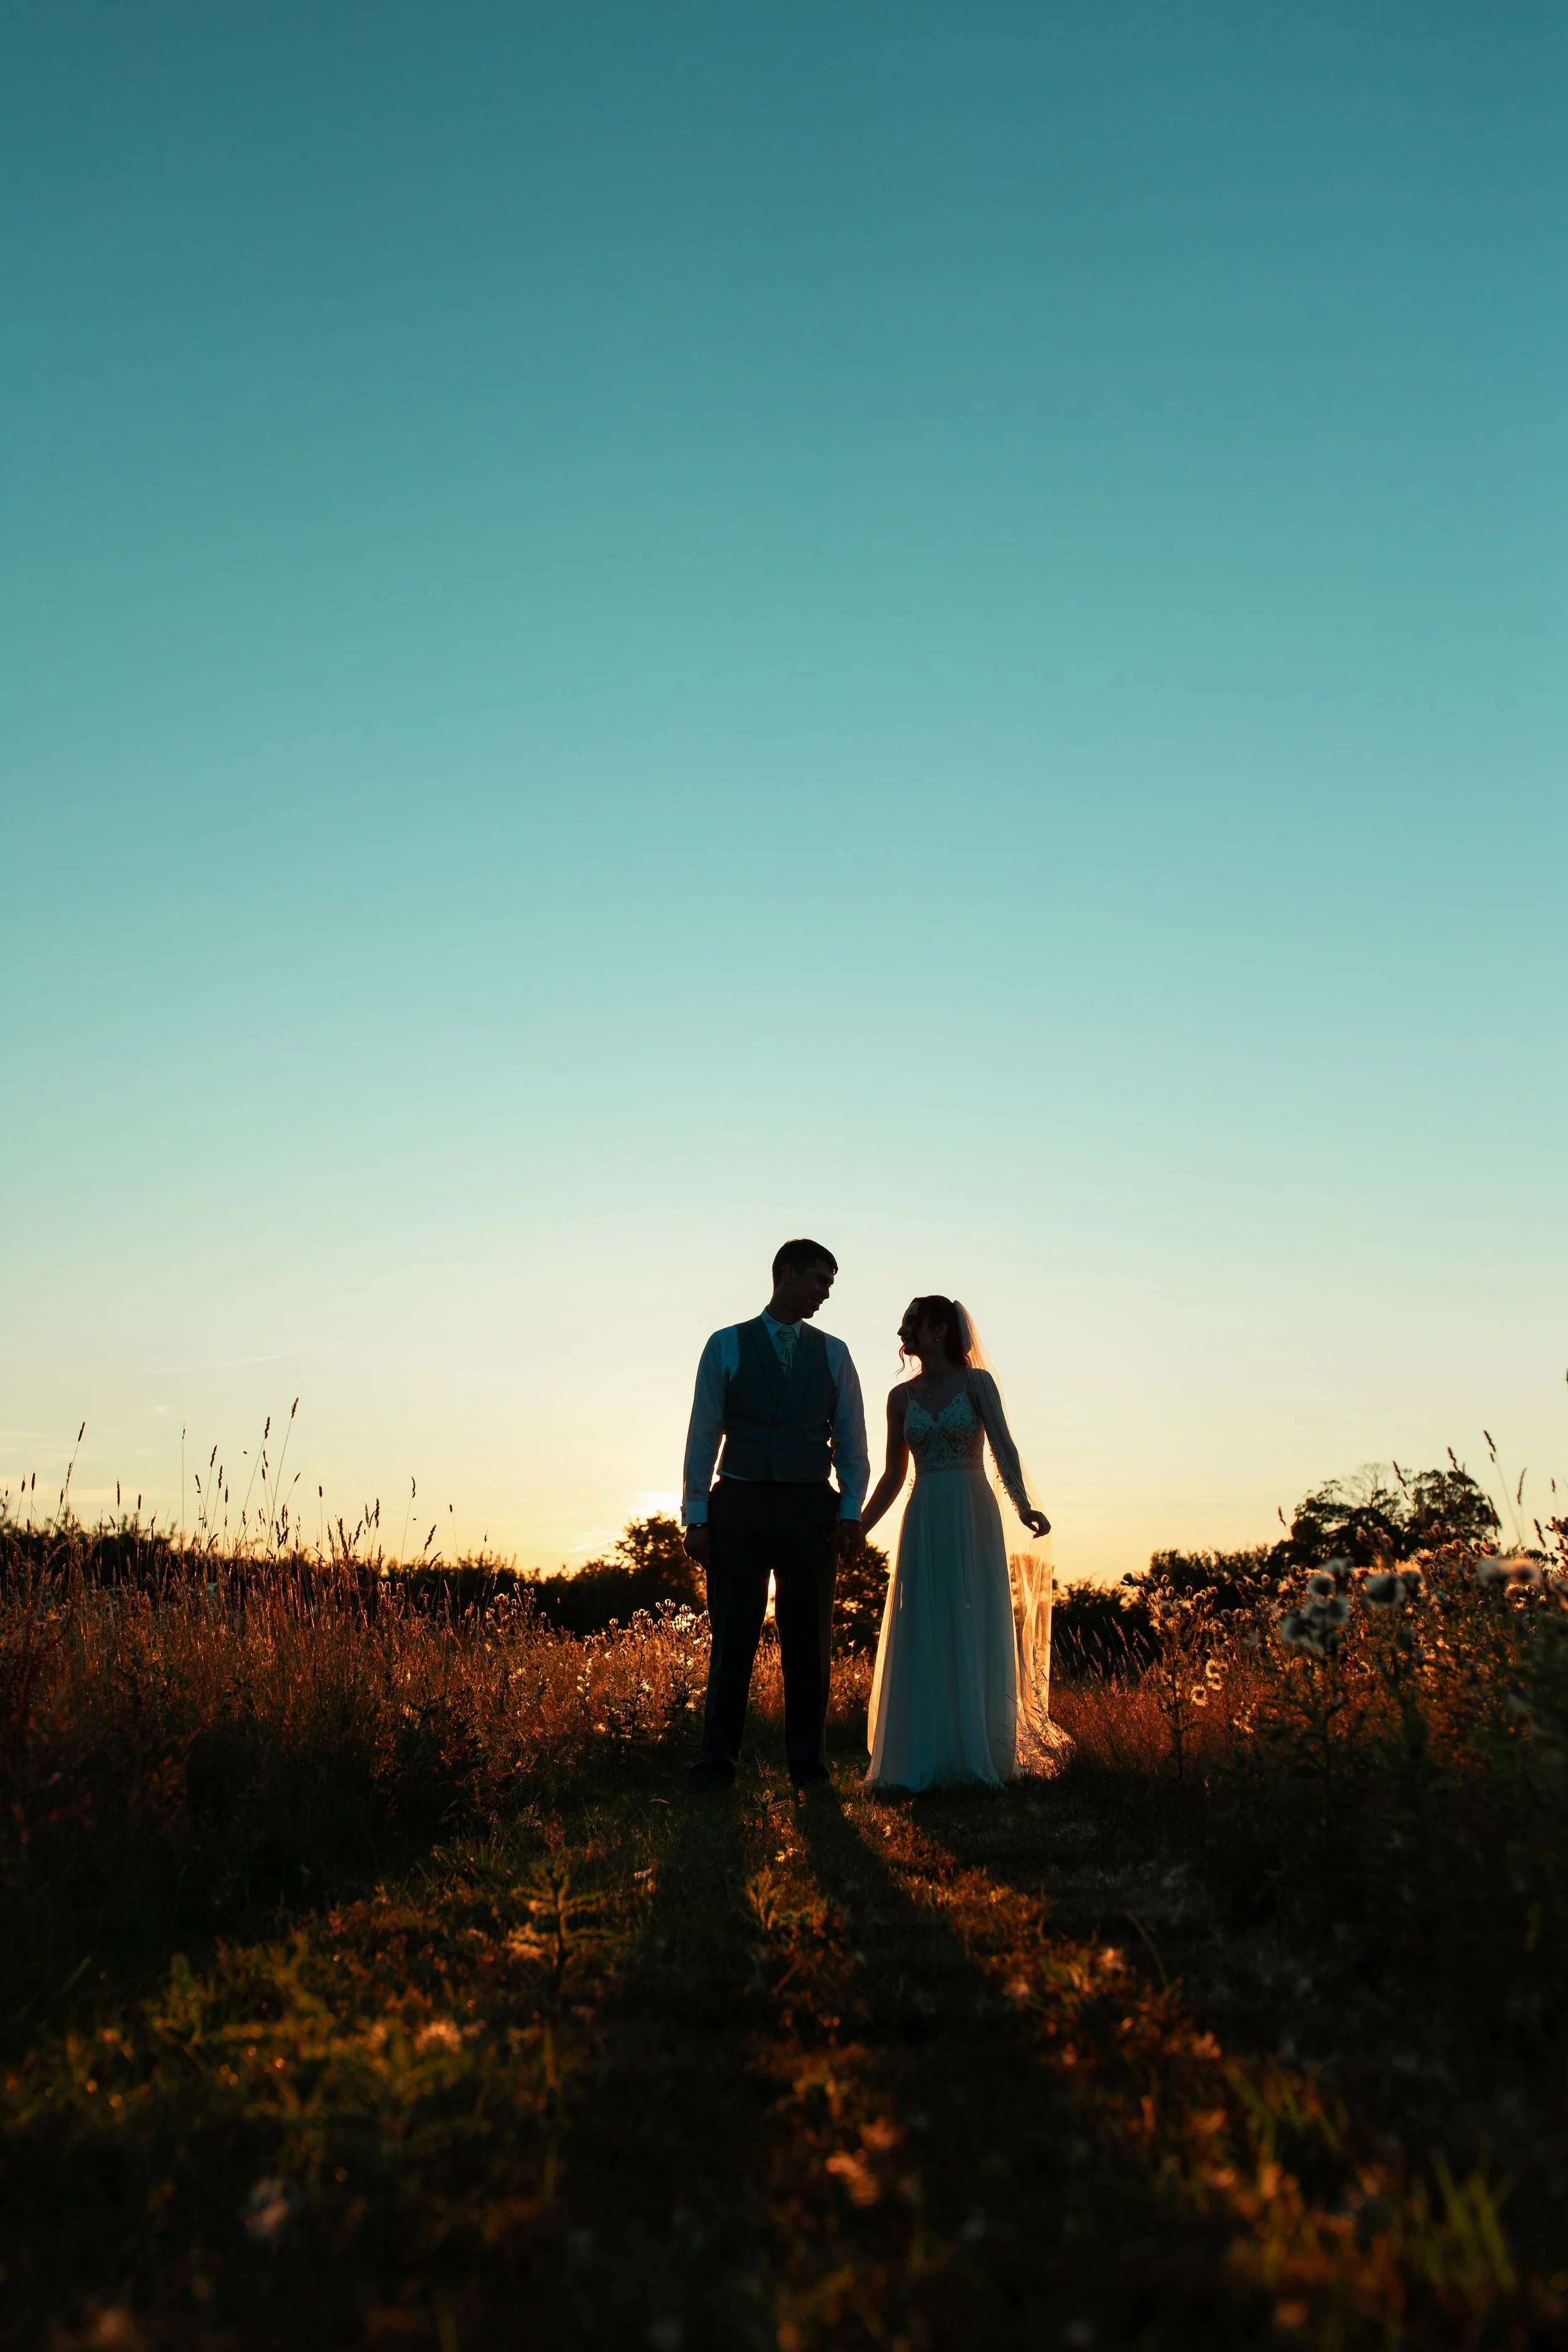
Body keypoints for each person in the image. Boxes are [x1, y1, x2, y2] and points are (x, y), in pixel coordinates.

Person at [682, 1239, 869, 1792]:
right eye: (819, 1281)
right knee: (732, 1641)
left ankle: (809, 1770)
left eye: (830, 1286)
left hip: (812, 1506)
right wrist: (697, 1515)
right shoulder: (725, 1346)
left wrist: (851, 1513)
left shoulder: (835, 1353)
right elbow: (703, 1433)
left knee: (809, 1645)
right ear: (787, 1274)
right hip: (737, 1505)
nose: (825, 1294)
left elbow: (853, 1443)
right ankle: (715, 1768)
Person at [861, 1296, 1054, 1792]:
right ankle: (923, 1753)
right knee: (925, 1621)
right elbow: (891, 1475)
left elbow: (1004, 1447)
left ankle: (977, 1751)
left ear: (940, 1330)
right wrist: (856, 1527)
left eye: (911, 1323)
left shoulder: (977, 1385)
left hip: (972, 1510)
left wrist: (1023, 1506)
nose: (902, 1331)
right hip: (924, 1512)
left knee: (972, 1619)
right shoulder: (899, 1399)